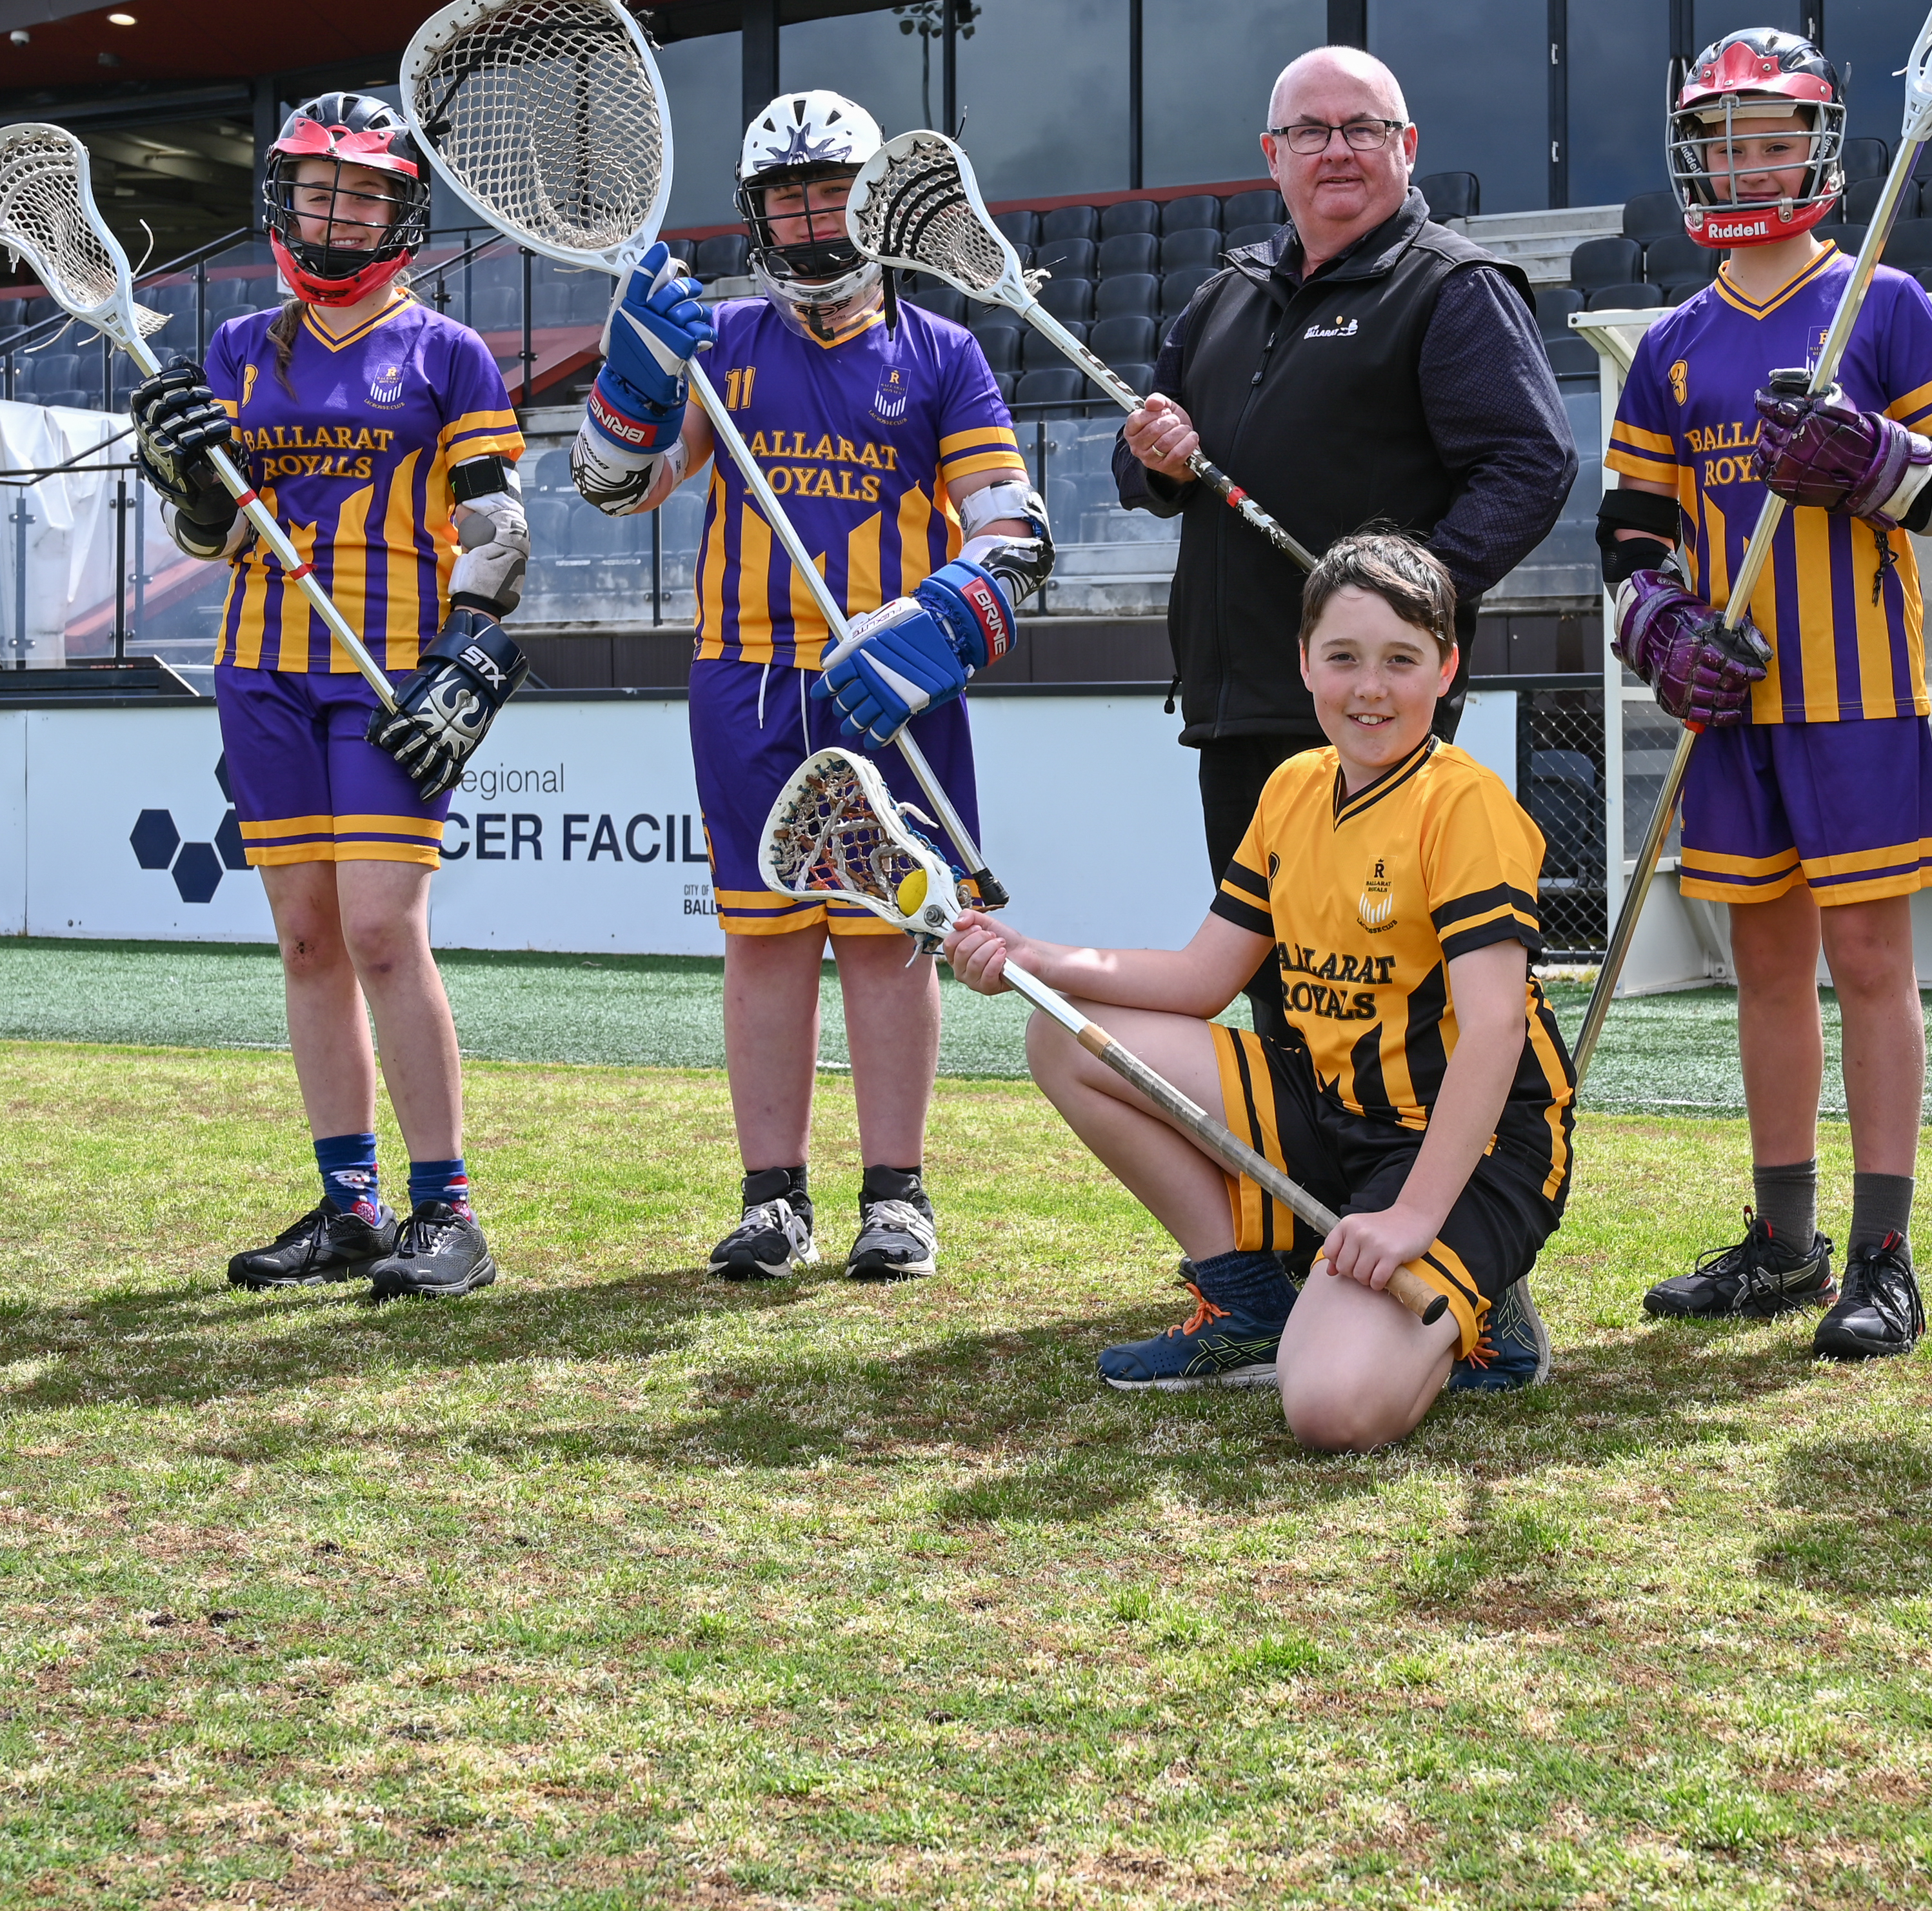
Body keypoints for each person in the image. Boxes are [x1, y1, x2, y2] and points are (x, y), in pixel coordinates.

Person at [942, 530, 1575, 1449]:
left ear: (1445, 669)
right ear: (1304, 663)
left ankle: (1485, 1321)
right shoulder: (1290, 788)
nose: (1369, 687)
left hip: (1468, 1148)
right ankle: (1247, 1302)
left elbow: (1490, 1033)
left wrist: (1410, 1218)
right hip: (1330, 1113)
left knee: (1329, 1410)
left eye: (1401, 660)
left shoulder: (1463, 806)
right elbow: (1201, 979)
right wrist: (1033, 959)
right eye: (1344, 657)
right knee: (1063, 1035)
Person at [574, 88, 1047, 1285]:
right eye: (787, 195)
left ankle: (896, 1197)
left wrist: (942, 626)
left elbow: (1009, 529)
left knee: (890, 938)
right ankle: (772, 1201)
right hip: (743, 679)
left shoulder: (942, 353)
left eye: (831, 189)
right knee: (764, 940)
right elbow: (612, 491)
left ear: (872, 200)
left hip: (890, 682)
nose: (809, 215)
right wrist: (629, 389)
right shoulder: (716, 341)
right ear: (757, 214)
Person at [1597, 28, 1932, 1363]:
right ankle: (1785, 1241)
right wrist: (1659, 627)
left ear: (1818, 147)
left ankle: (1885, 1256)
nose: (1745, 157)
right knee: (1764, 969)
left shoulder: (1881, 305)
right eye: (1722, 137)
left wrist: (1873, 460)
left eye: (1770, 134)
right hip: (1732, 704)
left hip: (1859, 696)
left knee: (1871, 965)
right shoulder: (1669, 342)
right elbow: (1630, 535)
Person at [127, 93, 530, 1300]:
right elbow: (209, 532)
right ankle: (348, 1205)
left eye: (362, 195)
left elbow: (495, 521)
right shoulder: (241, 348)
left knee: (380, 932)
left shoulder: (448, 353)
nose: (338, 215)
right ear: (286, 201)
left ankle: (446, 1212)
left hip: (387, 673)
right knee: (306, 941)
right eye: (318, 190)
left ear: (400, 212)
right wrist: (185, 471)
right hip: (259, 667)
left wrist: (467, 650)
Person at [1113, 46, 1575, 886]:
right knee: (1274, 983)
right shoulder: (1224, 297)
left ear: (1406, 144)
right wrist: (1160, 457)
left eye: (1362, 128)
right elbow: (1139, 455)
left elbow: (1528, 466)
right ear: (1273, 154)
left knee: (1374, 980)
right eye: (1311, 131)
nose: (1336, 150)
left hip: (1368, 708)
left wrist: (1401, 604)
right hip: (1234, 707)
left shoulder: (1452, 287)